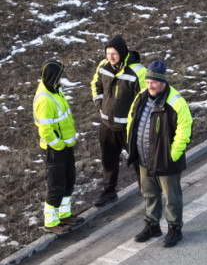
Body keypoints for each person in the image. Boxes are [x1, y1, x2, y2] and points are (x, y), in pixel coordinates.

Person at [125, 60, 193, 248]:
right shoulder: (141, 96)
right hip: (144, 158)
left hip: (165, 160)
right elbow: (132, 120)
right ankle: (152, 225)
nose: (150, 86)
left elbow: (185, 129)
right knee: (149, 193)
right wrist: (133, 145)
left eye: (153, 82)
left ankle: (174, 229)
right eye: (147, 82)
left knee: (172, 196)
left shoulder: (176, 101)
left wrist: (173, 154)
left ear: (163, 81)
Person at [90, 34, 147, 207]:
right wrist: (99, 105)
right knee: (108, 160)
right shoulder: (103, 66)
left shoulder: (138, 72)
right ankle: (109, 192)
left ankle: (148, 194)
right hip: (107, 125)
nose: (110, 57)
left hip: (128, 128)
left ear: (122, 52)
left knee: (140, 162)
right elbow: (95, 85)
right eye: (107, 54)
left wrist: (136, 120)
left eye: (113, 54)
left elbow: (145, 98)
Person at [33, 60, 82, 235]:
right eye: (59, 76)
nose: (62, 79)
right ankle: (51, 222)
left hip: (65, 147)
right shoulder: (45, 100)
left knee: (69, 180)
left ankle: (64, 214)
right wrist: (59, 145)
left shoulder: (55, 90)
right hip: (56, 150)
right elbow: (45, 131)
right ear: (52, 78)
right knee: (56, 185)